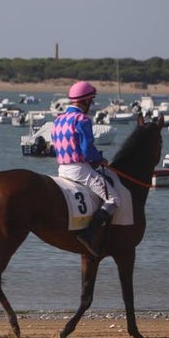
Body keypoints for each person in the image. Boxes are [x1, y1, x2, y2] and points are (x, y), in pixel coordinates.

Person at [53, 81, 116, 256]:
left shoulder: (58, 120)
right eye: (91, 100)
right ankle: (88, 234)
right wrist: (99, 159)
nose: (92, 104)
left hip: (62, 170)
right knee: (113, 199)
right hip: (79, 170)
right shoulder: (82, 119)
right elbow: (87, 149)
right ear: (86, 100)